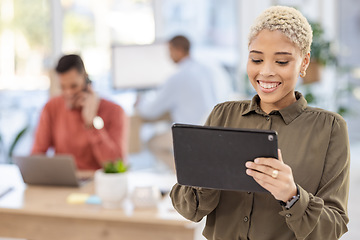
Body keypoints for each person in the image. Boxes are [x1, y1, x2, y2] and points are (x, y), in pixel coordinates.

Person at [170, 6, 349, 240]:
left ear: (304, 63)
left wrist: (292, 195)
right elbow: (189, 210)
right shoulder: (222, 116)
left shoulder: (330, 129)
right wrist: (208, 176)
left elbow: (332, 229)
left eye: (282, 62)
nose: (265, 72)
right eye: (256, 59)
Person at [32, 54, 127, 170]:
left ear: (86, 79)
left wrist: (91, 123)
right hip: (64, 182)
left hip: (98, 183)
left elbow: (116, 165)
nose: (68, 93)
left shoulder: (114, 111)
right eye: (63, 87)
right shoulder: (51, 107)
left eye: (74, 86)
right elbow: (37, 154)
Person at [136, 35, 218, 125]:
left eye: (170, 50)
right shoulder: (205, 70)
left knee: (151, 137)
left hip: (189, 132)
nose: (169, 55)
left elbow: (150, 111)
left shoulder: (178, 77)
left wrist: (140, 102)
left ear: (178, 50)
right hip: (208, 128)